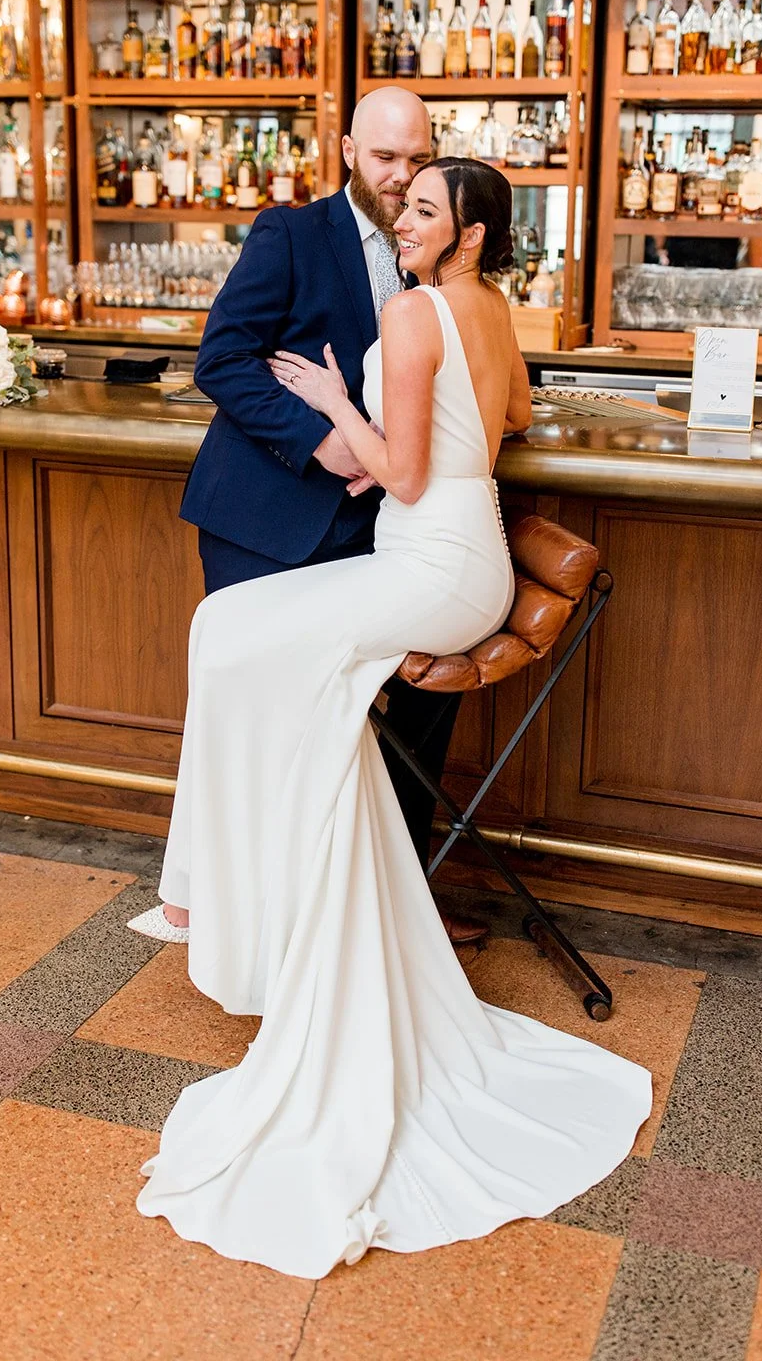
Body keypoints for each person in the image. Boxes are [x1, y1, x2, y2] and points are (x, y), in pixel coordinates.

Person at [131, 156, 652, 1279]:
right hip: (468, 563)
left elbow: (399, 477)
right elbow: (509, 414)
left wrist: (333, 406)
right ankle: (251, 904)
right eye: (402, 202)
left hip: (427, 565)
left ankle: (227, 904)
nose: (402, 221)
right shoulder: (491, 307)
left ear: (465, 234)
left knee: (227, 635)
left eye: (423, 210)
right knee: (249, 650)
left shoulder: (416, 311)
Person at [144, 86, 483, 944]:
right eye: (384, 158)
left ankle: (379, 910)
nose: (402, 178)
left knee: (380, 721)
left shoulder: (432, 258)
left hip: (380, 535)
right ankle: (247, 913)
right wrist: (319, 439)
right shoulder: (289, 233)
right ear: (346, 151)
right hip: (267, 514)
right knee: (260, 709)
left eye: (417, 159)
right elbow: (221, 359)